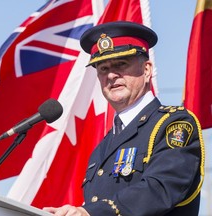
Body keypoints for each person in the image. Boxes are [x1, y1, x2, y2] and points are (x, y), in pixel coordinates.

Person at [43, 21, 205, 216]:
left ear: (146, 70)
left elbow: (160, 189)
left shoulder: (174, 124)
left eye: (121, 64)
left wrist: (89, 213)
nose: (111, 75)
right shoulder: (103, 148)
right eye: (103, 69)